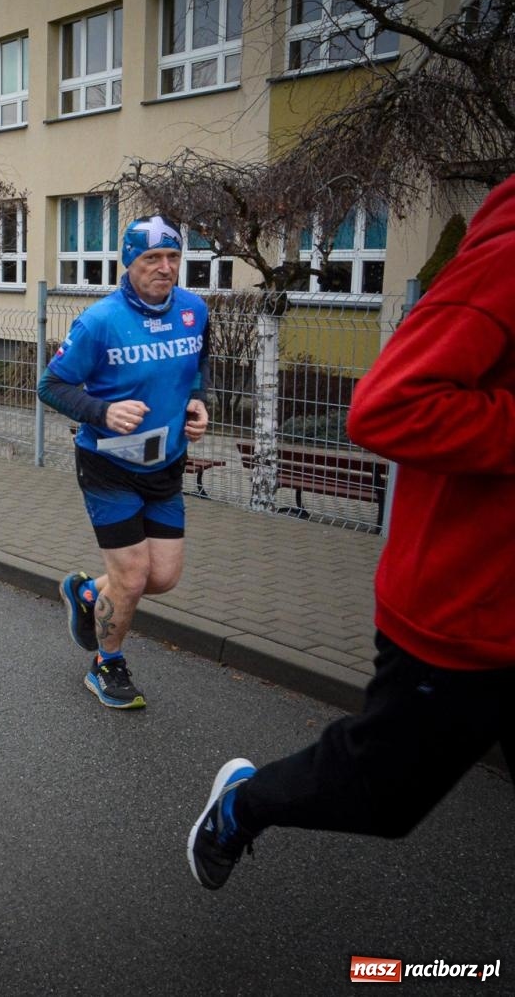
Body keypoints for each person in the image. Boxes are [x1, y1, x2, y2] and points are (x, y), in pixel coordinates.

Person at [187, 175, 515, 891]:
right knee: (384, 799)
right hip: (467, 614)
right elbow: (385, 408)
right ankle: (241, 806)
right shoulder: (506, 262)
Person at [37, 215, 210, 710]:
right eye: (151, 259)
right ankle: (106, 664)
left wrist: (198, 403)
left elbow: (198, 365)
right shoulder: (99, 321)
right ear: (128, 263)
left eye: (173, 257)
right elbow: (50, 385)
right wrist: (103, 411)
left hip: (165, 465)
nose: (165, 268)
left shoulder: (194, 310)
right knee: (133, 577)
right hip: (107, 463)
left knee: (163, 578)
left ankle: (89, 594)